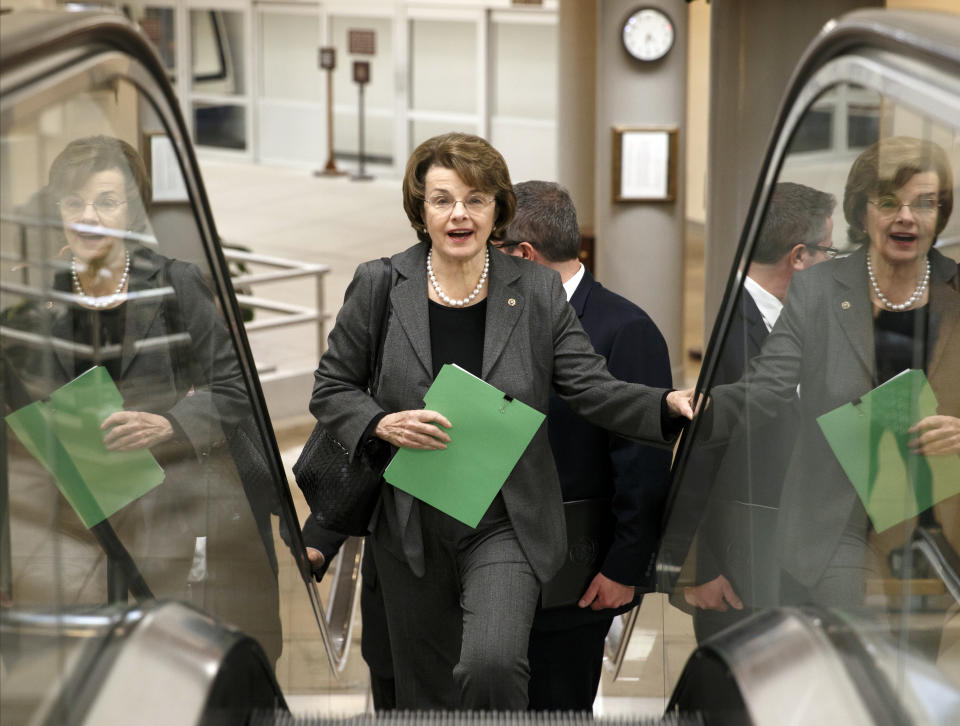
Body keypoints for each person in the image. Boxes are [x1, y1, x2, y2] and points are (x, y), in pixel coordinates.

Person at [308, 132, 693, 710]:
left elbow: (591, 387)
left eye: (476, 199)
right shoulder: (380, 284)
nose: (459, 213)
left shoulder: (535, 290)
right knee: (425, 693)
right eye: (442, 199)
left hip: (506, 522)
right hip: (410, 521)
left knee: (492, 663)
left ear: (497, 211)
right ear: (421, 210)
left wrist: (664, 406)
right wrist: (380, 424)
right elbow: (331, 387)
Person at [1, 135, 282, 663]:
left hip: (168, 520)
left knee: (165, 668)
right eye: (74, 203)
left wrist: (170, 423)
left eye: (106, 201)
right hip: (73, 531)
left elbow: (237, 387)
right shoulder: (39, 302)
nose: (89, 216)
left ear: (132, 210)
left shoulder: (175, 285)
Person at [705, 136, 960, 616]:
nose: (906, 216)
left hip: (938, 519)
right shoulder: (818, 290)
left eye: (924, 203)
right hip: (838, 518)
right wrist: (695, 409)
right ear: (862, 211)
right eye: (889, 202)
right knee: (859, 642)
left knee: (916, 668)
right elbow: (767, 386)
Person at [493, 180, 672, 711]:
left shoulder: (626, 328)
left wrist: (624, 567)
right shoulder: (499, 317)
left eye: (493, 252)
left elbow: (642, 462)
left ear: (524, 255)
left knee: (558, 705)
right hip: (495, 567)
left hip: (575, 577)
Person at [684, 182, 836, 640]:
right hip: (739, 568)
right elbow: (696, 456)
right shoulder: (727, 327)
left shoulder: (800, 317)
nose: (833, 262)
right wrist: (700, 568)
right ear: (799, 257)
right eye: (828, 249)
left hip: (794, 556)